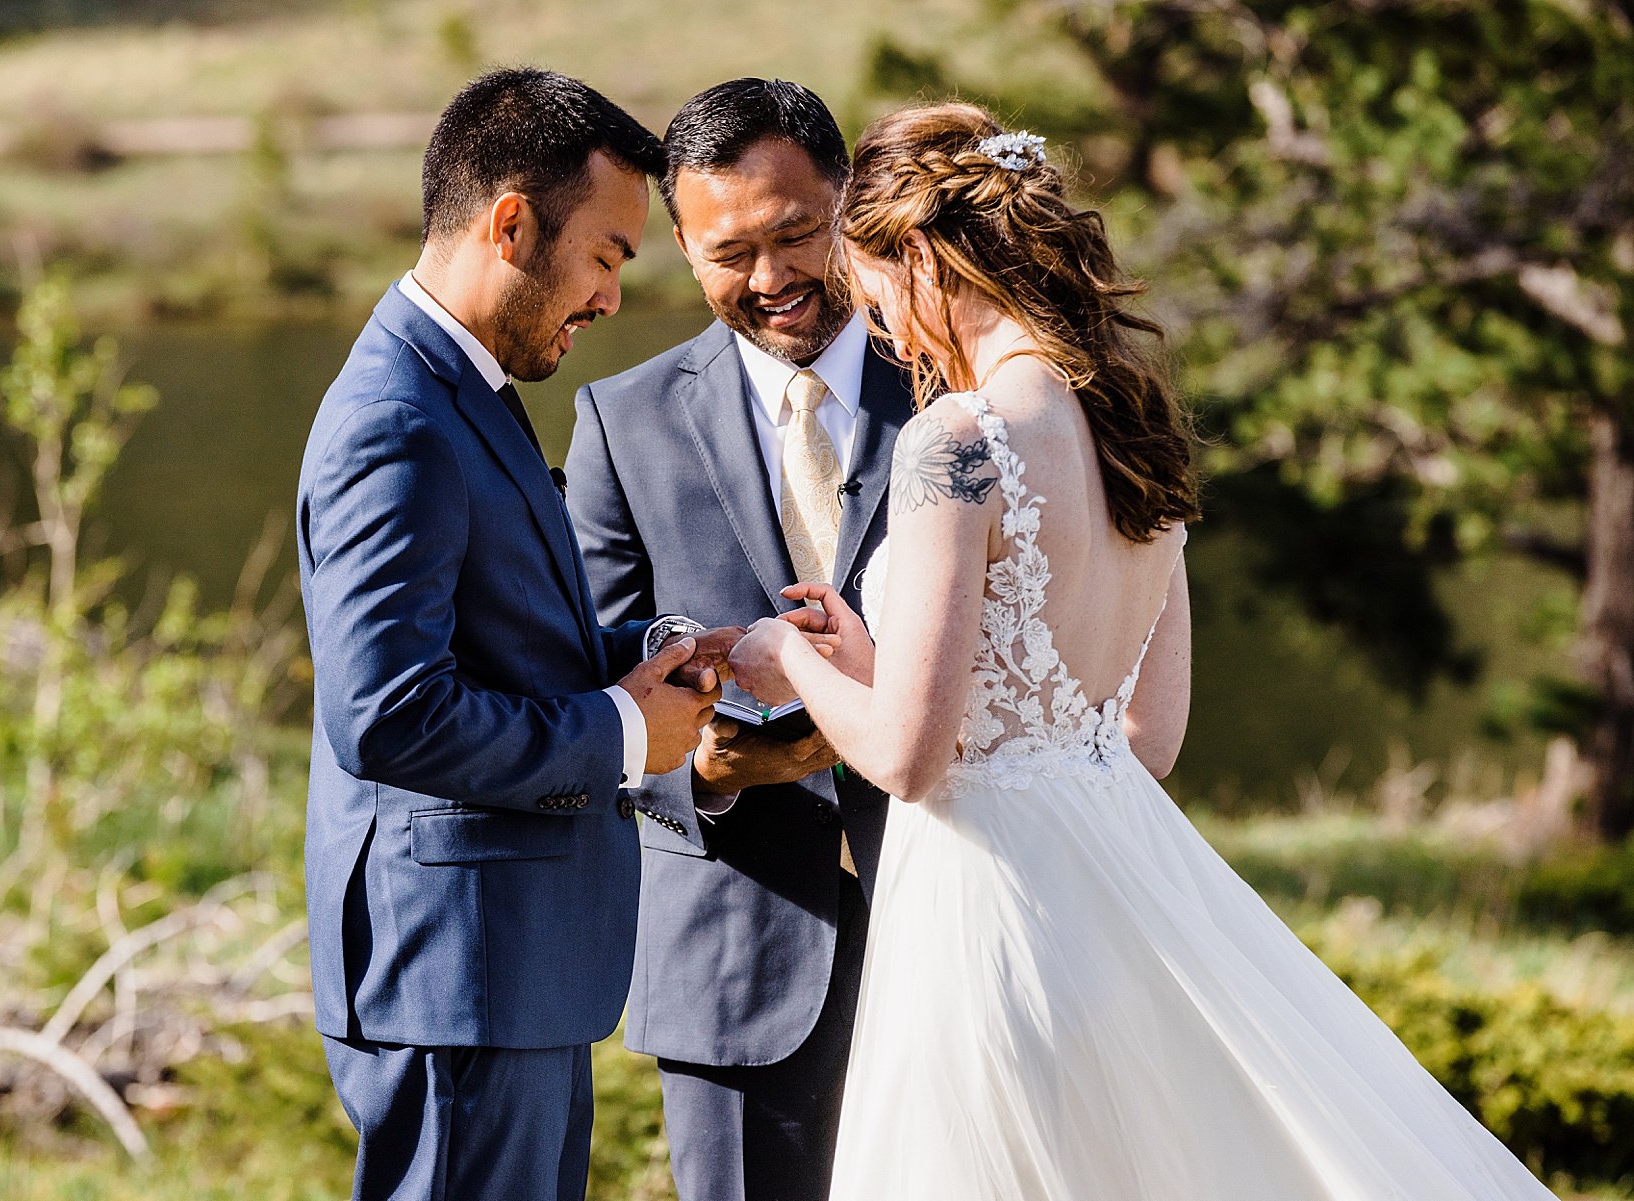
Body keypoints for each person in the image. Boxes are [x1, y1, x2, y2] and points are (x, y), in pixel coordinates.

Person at [729, 101, 1560, 1201]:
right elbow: (1143, 733)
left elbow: (909, 763)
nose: (880, 325)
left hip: (986, 915)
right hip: (1111, 896)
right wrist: (880, 663)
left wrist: (792, 662)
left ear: (920, 257)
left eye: (873, 286)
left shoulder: (958, 442)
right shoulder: (1137, 428)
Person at [295, 68, 730, 1201]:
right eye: (609, 256)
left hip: (507, 970)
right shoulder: (396, 417)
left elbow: (505, 637)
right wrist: (624, 733)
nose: (612, 299)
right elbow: (388, 714)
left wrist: (657, 655)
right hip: (457, 977)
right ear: (511, 224)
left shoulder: (464, 389)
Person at [565, 79, 913, 1201]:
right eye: (728, 253)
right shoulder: (622, 424)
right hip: (733, 949)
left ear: (848, 200)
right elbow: (588, 687)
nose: (769, 281)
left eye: (796, 234)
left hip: (968, 918)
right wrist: (697, 770)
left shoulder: (967, 392)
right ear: (677, 242)